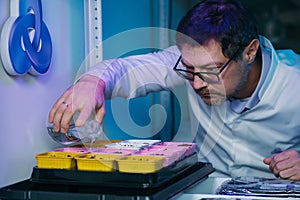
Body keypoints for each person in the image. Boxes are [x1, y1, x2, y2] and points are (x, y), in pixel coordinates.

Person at [48, 0, 300, 180]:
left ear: (250, 52)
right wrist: (92, 82)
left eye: (211, 71)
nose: (197, 83)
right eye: (189, 69)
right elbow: (123, 70)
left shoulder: (294, 83)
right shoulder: (187, 63)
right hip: (207, 188)